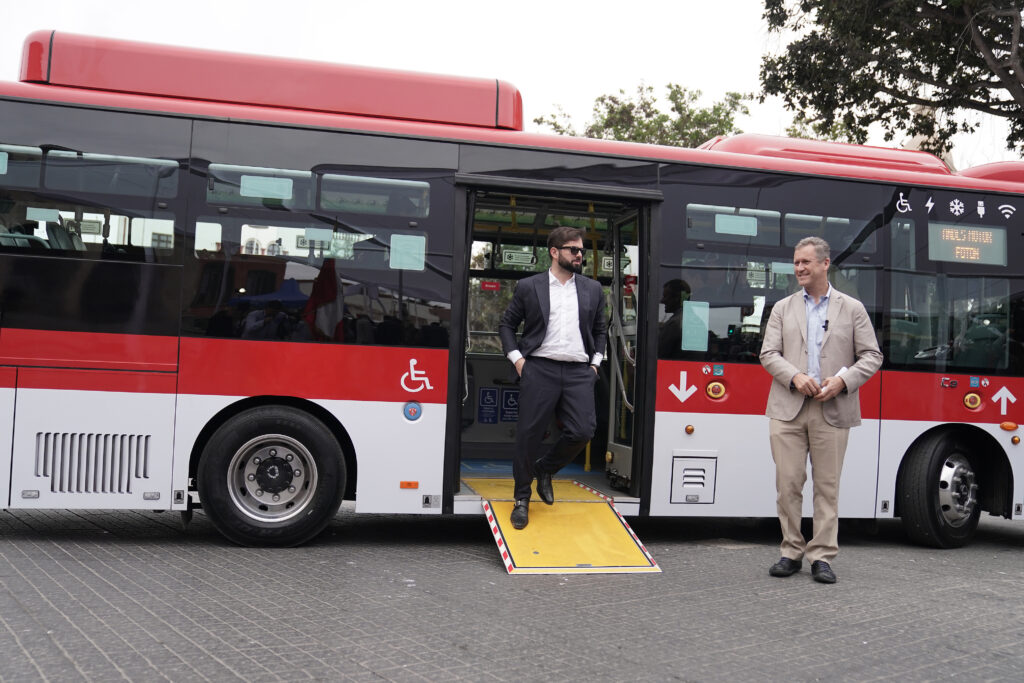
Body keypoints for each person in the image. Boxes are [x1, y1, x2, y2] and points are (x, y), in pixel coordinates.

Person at [759, 236, 882, 584]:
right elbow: (768, 354)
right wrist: (795, 376)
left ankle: (822, 556)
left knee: (827, 487)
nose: (799, 268)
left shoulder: (852, 308)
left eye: (806, 262)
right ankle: (790, 551)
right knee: (788, 485)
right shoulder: (783, 308)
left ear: (825, 264)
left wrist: (843, 382)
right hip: (788, 408)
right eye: (796, 262)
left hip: (833, 408)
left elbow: (872, 356)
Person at [498, 226, 607, 530]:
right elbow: (506, 325)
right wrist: (518, 360)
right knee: (529, 434)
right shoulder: (528, 287)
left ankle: (544, 469)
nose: (579, 255)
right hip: (539, 369)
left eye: (582, 251)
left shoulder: (592, 289)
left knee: (584, 430)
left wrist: (595, 364)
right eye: (574, 250)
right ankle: (521, 499)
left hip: (578, 372)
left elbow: (600, 330)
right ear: (555, 252)